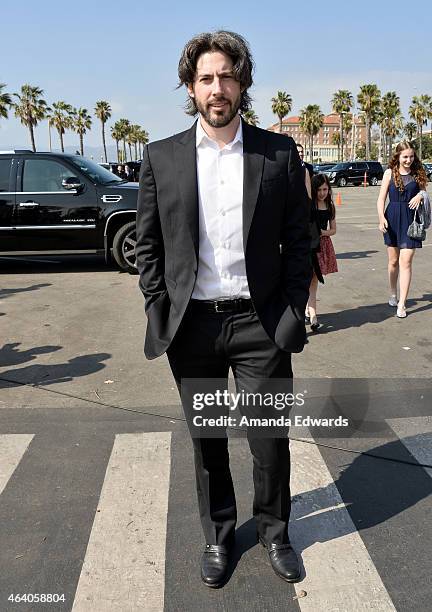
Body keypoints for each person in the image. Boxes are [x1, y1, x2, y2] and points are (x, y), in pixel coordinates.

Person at [135, 30, 311, 588]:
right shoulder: (161, 157)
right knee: (208, 441)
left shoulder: (277, 153)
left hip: (261, 324)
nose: (218, 87)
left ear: (243, 83)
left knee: (268, 439)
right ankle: (218, 535)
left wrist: (289, 310)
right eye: (207, 77)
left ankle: (275, 531)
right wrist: (159, 302)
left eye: (227, 76)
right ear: (191, 86)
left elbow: (298, 237)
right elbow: (147, 245)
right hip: (194, 329)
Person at [377, 141, 427, 318]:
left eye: (411, 156)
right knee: (393, 262)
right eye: (405, 156)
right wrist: (381, 218)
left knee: (406, 262)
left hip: (410, 220)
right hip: (392, 218)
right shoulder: (389, 173)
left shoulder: (417, 173)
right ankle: (393, 293)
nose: (409, 160)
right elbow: (381, 199)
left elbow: (424, 192)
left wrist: (421, 195)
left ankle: (402, 304)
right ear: (397, 156)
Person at [306, 174, 337, 331]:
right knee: (307, 280)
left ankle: (313, 316)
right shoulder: (310, 205)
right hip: (309, 247)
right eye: (319, 189)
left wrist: (322, 232)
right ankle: (310, 312)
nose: (322, 193)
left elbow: (334, 230)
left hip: (322, 246)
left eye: (325, 189)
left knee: (313, 281)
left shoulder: (330, 206)